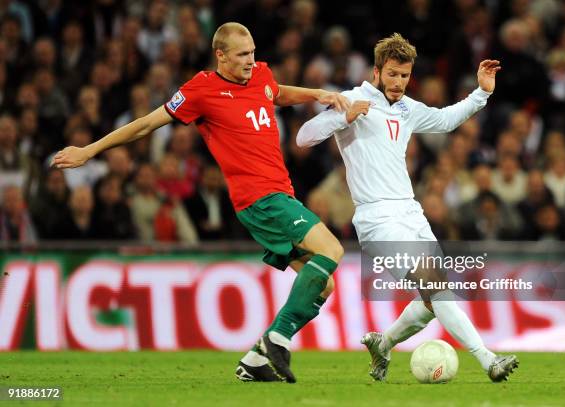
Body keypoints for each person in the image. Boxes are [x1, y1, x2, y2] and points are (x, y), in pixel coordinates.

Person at [52, 22, 349, 384]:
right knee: (332, 250)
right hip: (259, 199)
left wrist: (315, 93)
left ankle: (255, 361)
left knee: (324, 285)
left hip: (280, 195)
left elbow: (276, 91)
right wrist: (90, 150)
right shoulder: (201, 91)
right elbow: (146, 124)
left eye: (253, 52)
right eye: (242, 55)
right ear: (220, 55)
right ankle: (278, 337)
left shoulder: (260, 75)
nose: (250, 61)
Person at [297, 33, 518, 382]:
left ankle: (383, 344)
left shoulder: (405, 108)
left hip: (411, 214)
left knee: (433, 299)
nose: (399, 83)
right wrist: (344, 118)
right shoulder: (351, 99)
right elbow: (304, 137)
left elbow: (445, 120)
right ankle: (488, 359)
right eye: (392, 74)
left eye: (404, 76)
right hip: (376, 218)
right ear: (376, 71)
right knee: (435, 286)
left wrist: (482, 93)